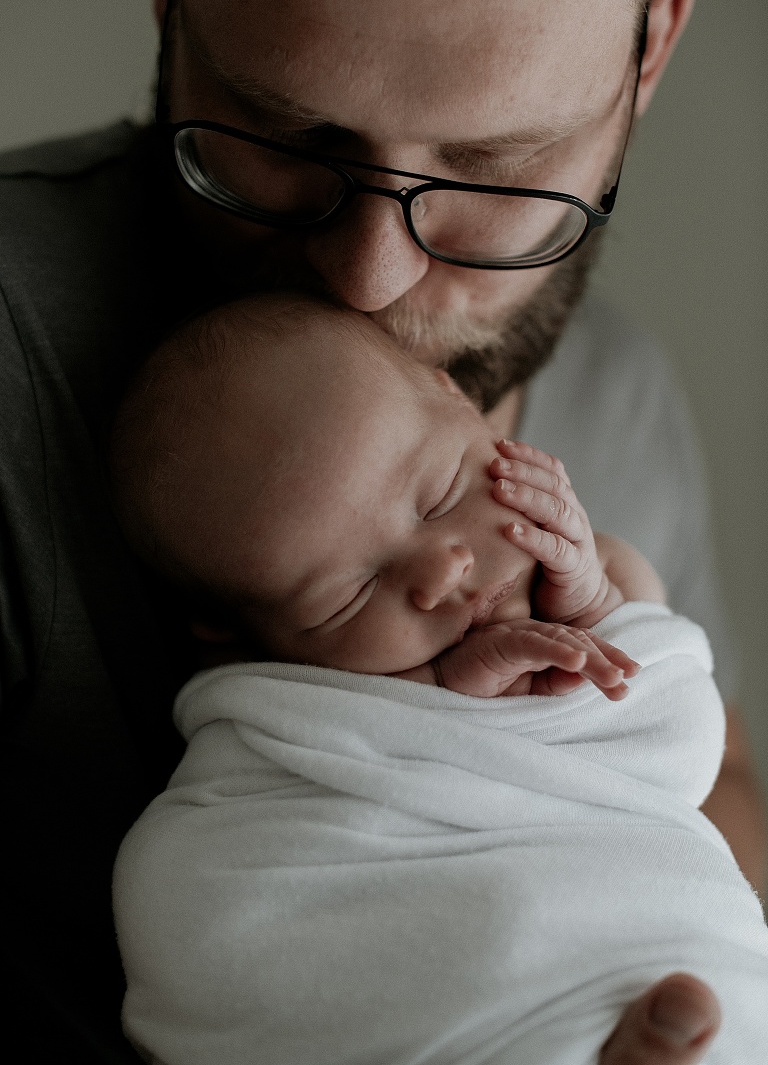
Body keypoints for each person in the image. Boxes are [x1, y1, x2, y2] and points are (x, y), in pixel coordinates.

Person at [0, 0, 762, 1060]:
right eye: (283, 131)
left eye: (493, 165)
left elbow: (719, 785)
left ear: (648, 54)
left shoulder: (620, 390)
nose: (369, 280)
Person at [108, 294, 768, 1063]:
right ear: (237, 635)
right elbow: (208, 924)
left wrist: (598, 609)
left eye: (442, 494)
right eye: (350, 594)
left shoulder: (606, 565)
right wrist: (459, 706)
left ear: (466, 404)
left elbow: (678, 749)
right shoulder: (284, 734)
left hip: (657, 986)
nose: (441, 574)